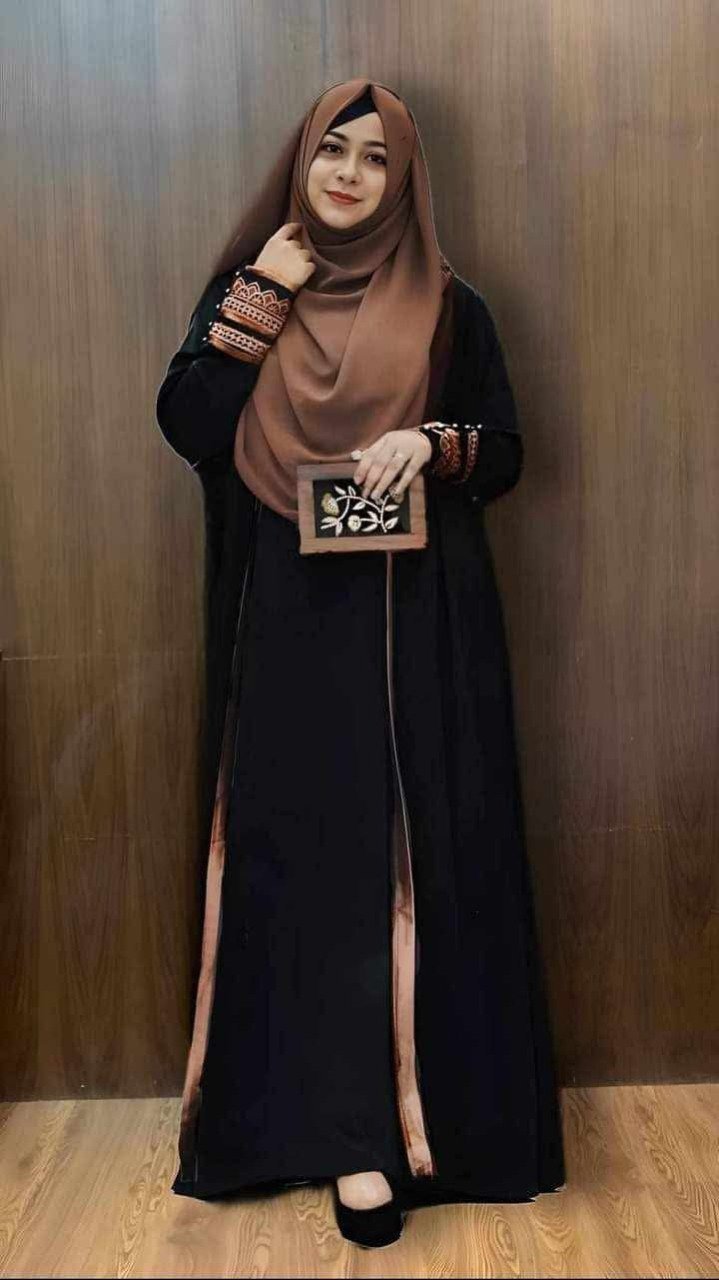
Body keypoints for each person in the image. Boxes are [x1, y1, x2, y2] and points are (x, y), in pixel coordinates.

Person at [155, 77, 566, 1249]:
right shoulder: (251, 288)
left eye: (375, 158)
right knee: (307, 865)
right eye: (331, 149)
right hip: (285, 625)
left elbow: (504, 450)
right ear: (302, 160)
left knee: (410, 858)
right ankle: (326, 1127)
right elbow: (188, 425)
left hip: (413, 623)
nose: (348, 173)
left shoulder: (448, 305)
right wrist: (261, 297)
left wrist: (428, 444)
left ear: (403, 180)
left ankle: (397, 1134)